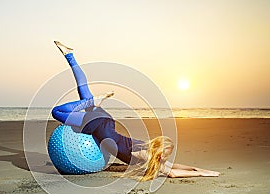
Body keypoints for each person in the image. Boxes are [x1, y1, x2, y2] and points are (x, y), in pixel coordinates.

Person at [51, 41, 220, 181]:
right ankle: (92, 101)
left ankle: (70, 56)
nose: (166, 158)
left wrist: (199, 169)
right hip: (99, 126)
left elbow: (173, 166)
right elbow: (173, 172)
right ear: (158, 150)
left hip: (106, 122)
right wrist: (201, 173)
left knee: (83, 89)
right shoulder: (147, 155)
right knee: (57, 111)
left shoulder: (147, 149)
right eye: (165, 154)